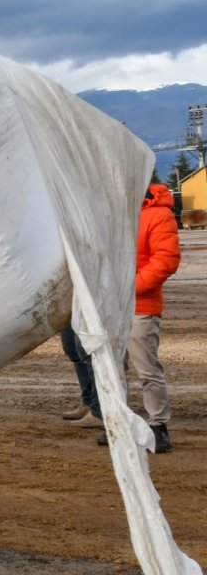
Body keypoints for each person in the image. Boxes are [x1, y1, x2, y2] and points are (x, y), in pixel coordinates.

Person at [100, 183, 180, 452]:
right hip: (111, 306)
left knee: (147, 369)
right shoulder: (113, 212)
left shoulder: (159, 214)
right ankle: (117, 422)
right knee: (112, 369)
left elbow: (166, 261)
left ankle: (158, 426)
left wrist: (127, 288)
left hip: (140, 305)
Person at [58, 325, 103, 428]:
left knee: (88, 353)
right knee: (72, 350)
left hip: (87, 311)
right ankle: (88, 403)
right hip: (68, 311)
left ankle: (97, 411)